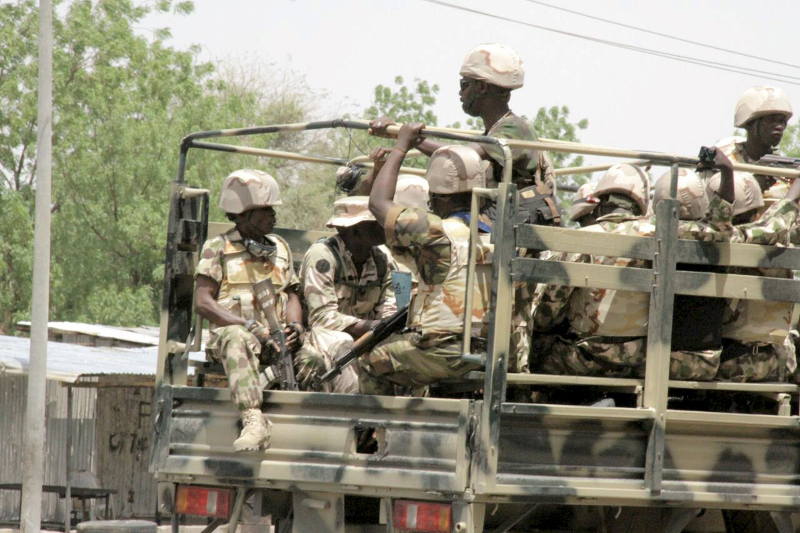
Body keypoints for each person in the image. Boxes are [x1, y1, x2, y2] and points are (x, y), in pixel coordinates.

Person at [360, 123, 494, 394]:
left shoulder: (434, 231)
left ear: (435, 198)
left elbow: (377, 203)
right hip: (492, 349)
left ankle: (378, 436)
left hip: (446, 351)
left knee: (372, 361)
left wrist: (401, 147)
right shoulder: (497, 234)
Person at [369, 43, 560, 227]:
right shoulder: (496, 130)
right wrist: (404, 136)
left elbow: (460, 159)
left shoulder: (514, 128)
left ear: (482, 87)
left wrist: (408, 140)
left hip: (516, 228)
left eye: (465, 84)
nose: (460, 92)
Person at [194, 169, 312, 451]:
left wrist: (295, 327)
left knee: (324, 352)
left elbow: (293, 295)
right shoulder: (218, 248)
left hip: (278, 341)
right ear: (242, 213)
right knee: (236, 338)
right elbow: (203, 301)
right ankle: (253, 420)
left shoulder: (280, 248)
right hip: (237, 342)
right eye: (265, 209)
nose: (273, 215)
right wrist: (247, 326)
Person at [705, 173, 800, 382]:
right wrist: (792, 195)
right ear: (756, 213)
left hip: (714, 360)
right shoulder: (768, 241)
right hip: (764, 362)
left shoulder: (703, 240)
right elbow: (774, 226)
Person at [299, 196, 397, 393]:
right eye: (375, 222)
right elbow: (321, 317)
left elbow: (389, 310)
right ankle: (351, 412)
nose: (383, 226)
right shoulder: (323, 255)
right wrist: (371, 327)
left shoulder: (382, 259)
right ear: (355, 230)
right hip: (325, 336)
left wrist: (386, 327)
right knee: (345, 346)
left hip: (369, 335)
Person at [708, 86, 793, 196]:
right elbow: (712, 209)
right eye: (771, 120)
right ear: (750, 123)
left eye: (782, 121)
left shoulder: (786, 170)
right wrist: (753, 186)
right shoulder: (724, 160)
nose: (779, 126)